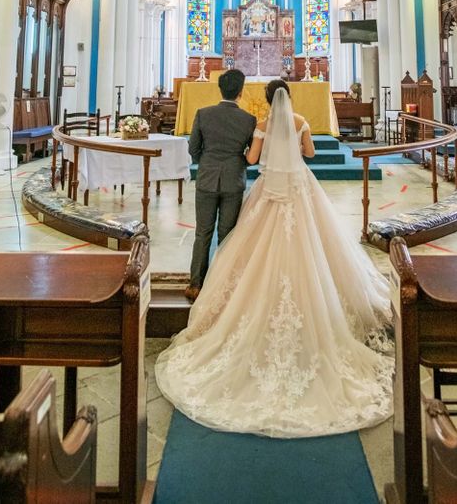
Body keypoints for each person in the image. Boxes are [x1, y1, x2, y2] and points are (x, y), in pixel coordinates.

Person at [156, 79, 393, 438]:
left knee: (239, 243)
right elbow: (311, 155)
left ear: (265, 99)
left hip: (266, 189)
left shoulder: (260, 125)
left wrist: (246, 155)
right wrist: (296, 145)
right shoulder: (299, 122)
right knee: (310, 245)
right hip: (298, 188)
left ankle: (205, 284)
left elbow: (251, 159)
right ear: (290, 97)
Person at [184, 68, 256, 302]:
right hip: (234, 180)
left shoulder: (203, 114)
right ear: (240, 92)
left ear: (220, 89)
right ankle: (223, 283)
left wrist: (206, 162)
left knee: (202, 232)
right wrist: (238, 162)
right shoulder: (248, 119)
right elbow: (251, 155)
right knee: (227, 234)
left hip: (207, 177)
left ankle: (196, 284)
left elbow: (193, 149)